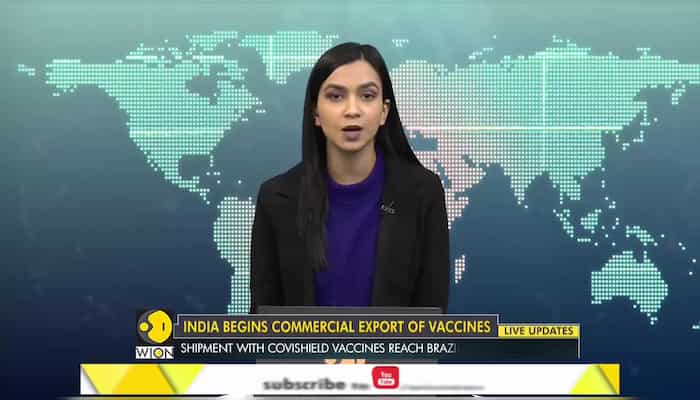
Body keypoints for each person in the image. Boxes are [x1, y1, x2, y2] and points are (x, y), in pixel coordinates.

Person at [250, 42, 449, 313]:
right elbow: (264, 321)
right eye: (336, 96)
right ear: (315, 112)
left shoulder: (422, 193)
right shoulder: (277, 199)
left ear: (384, 111)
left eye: (367, 96)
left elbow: (431, 318)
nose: (352, 110)